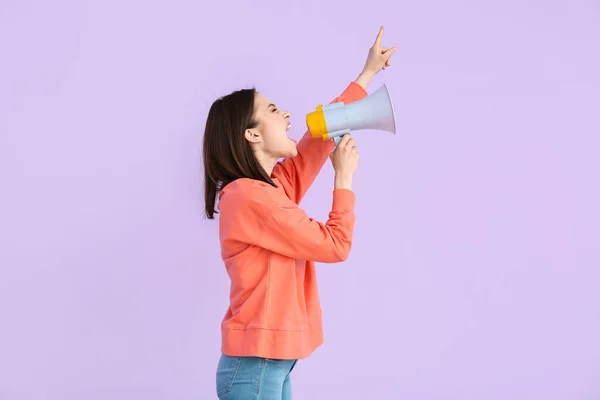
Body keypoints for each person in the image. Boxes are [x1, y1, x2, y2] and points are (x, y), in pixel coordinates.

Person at [203, 26, 396, 400]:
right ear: (252, 135)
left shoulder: (271, 188)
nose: (288, 114)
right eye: (274, 110)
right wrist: (343, 178)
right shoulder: (249, 197)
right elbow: (335, 245)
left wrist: (366, 74)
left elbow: (314, 143)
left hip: (268, 363)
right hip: (254, 365)